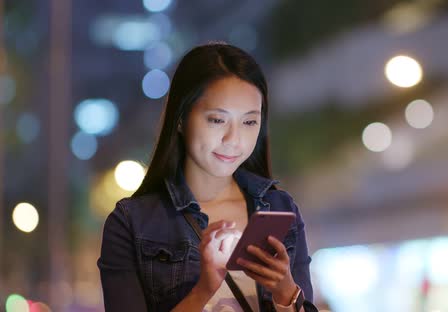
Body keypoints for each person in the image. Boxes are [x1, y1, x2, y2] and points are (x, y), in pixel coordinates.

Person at [97, 43, 318, 312]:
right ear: (180, 119)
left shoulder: (280, 209)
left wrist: (285, 292)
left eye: (249, 122)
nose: (233, 139)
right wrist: (203, 290)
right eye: (217, 120)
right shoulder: (132, 223)